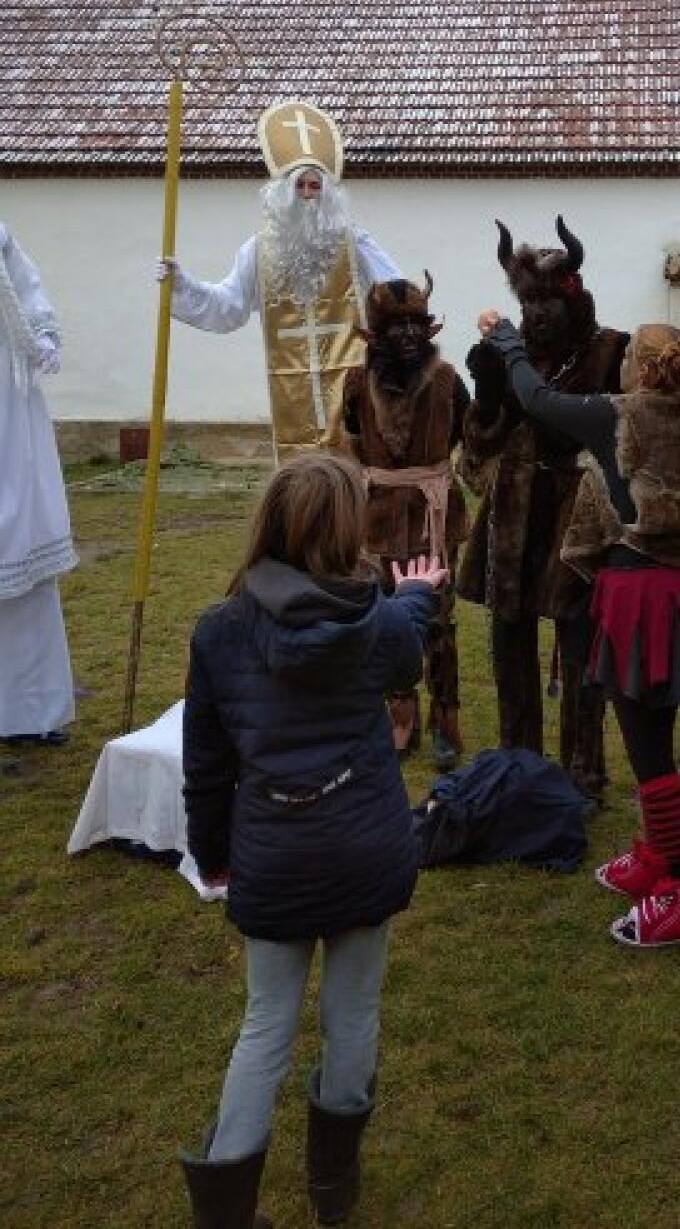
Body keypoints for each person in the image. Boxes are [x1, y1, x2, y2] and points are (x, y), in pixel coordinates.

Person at [179, 452, 446, 1228]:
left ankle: (248, 1208)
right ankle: (331, 1191)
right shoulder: (376, 620)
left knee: (266, 1023)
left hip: (279, 856)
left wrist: (213, 853)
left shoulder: (221, 630)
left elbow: (205, 770)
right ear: (344, 530)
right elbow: (407, 643)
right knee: (351, 1014)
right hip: (360, 848)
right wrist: (417, 596)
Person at [477, 311, 680, 949]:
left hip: (639, 600)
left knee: (650, 754)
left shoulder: (615, 416)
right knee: (652, 736)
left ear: (640, 370)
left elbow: (536, 398)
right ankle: (657, 855)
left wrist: (505, 338)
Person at [458, 218, 629, 800]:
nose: (536, 313)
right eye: (528, 302)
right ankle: (519, 763)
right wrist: (487, 389)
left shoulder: (610, 350)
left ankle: (583, 771)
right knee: (509, 636)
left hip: (580, 515)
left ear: (572, 295)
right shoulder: (512, 354)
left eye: (547, 301)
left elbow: (613, 433)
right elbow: (481, 442)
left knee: (581, 639)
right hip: (513, 511)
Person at [157, 100, 401, 463]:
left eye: (315, 186)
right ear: (284, 192)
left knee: (354, 462)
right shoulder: (258, 251)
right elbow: (227, 306)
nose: (308, 194)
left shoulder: (354, 243)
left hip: (351, 384)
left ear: (327, 194)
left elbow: (396, 290)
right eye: (300, 185)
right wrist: (181, 285)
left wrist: (392, 341)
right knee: (299, 472)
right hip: (291, 387)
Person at [333, 271, 470, 770]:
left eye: (416, 323)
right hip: (380, 515)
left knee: (438, 616)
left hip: (434, 514)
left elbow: (465, 435)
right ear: (377, 332)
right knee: (386, 614)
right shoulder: (355, 383)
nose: (409, 334)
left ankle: (445, 718)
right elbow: (352, 440)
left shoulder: (448, 380)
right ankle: (400, 711)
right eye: (397, 325)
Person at [0, 223, 77, 745]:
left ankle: (32, 712)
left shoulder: (1, 238)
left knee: (26, 575)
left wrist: (44, 335)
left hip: (11, 413)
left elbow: (27, 290)